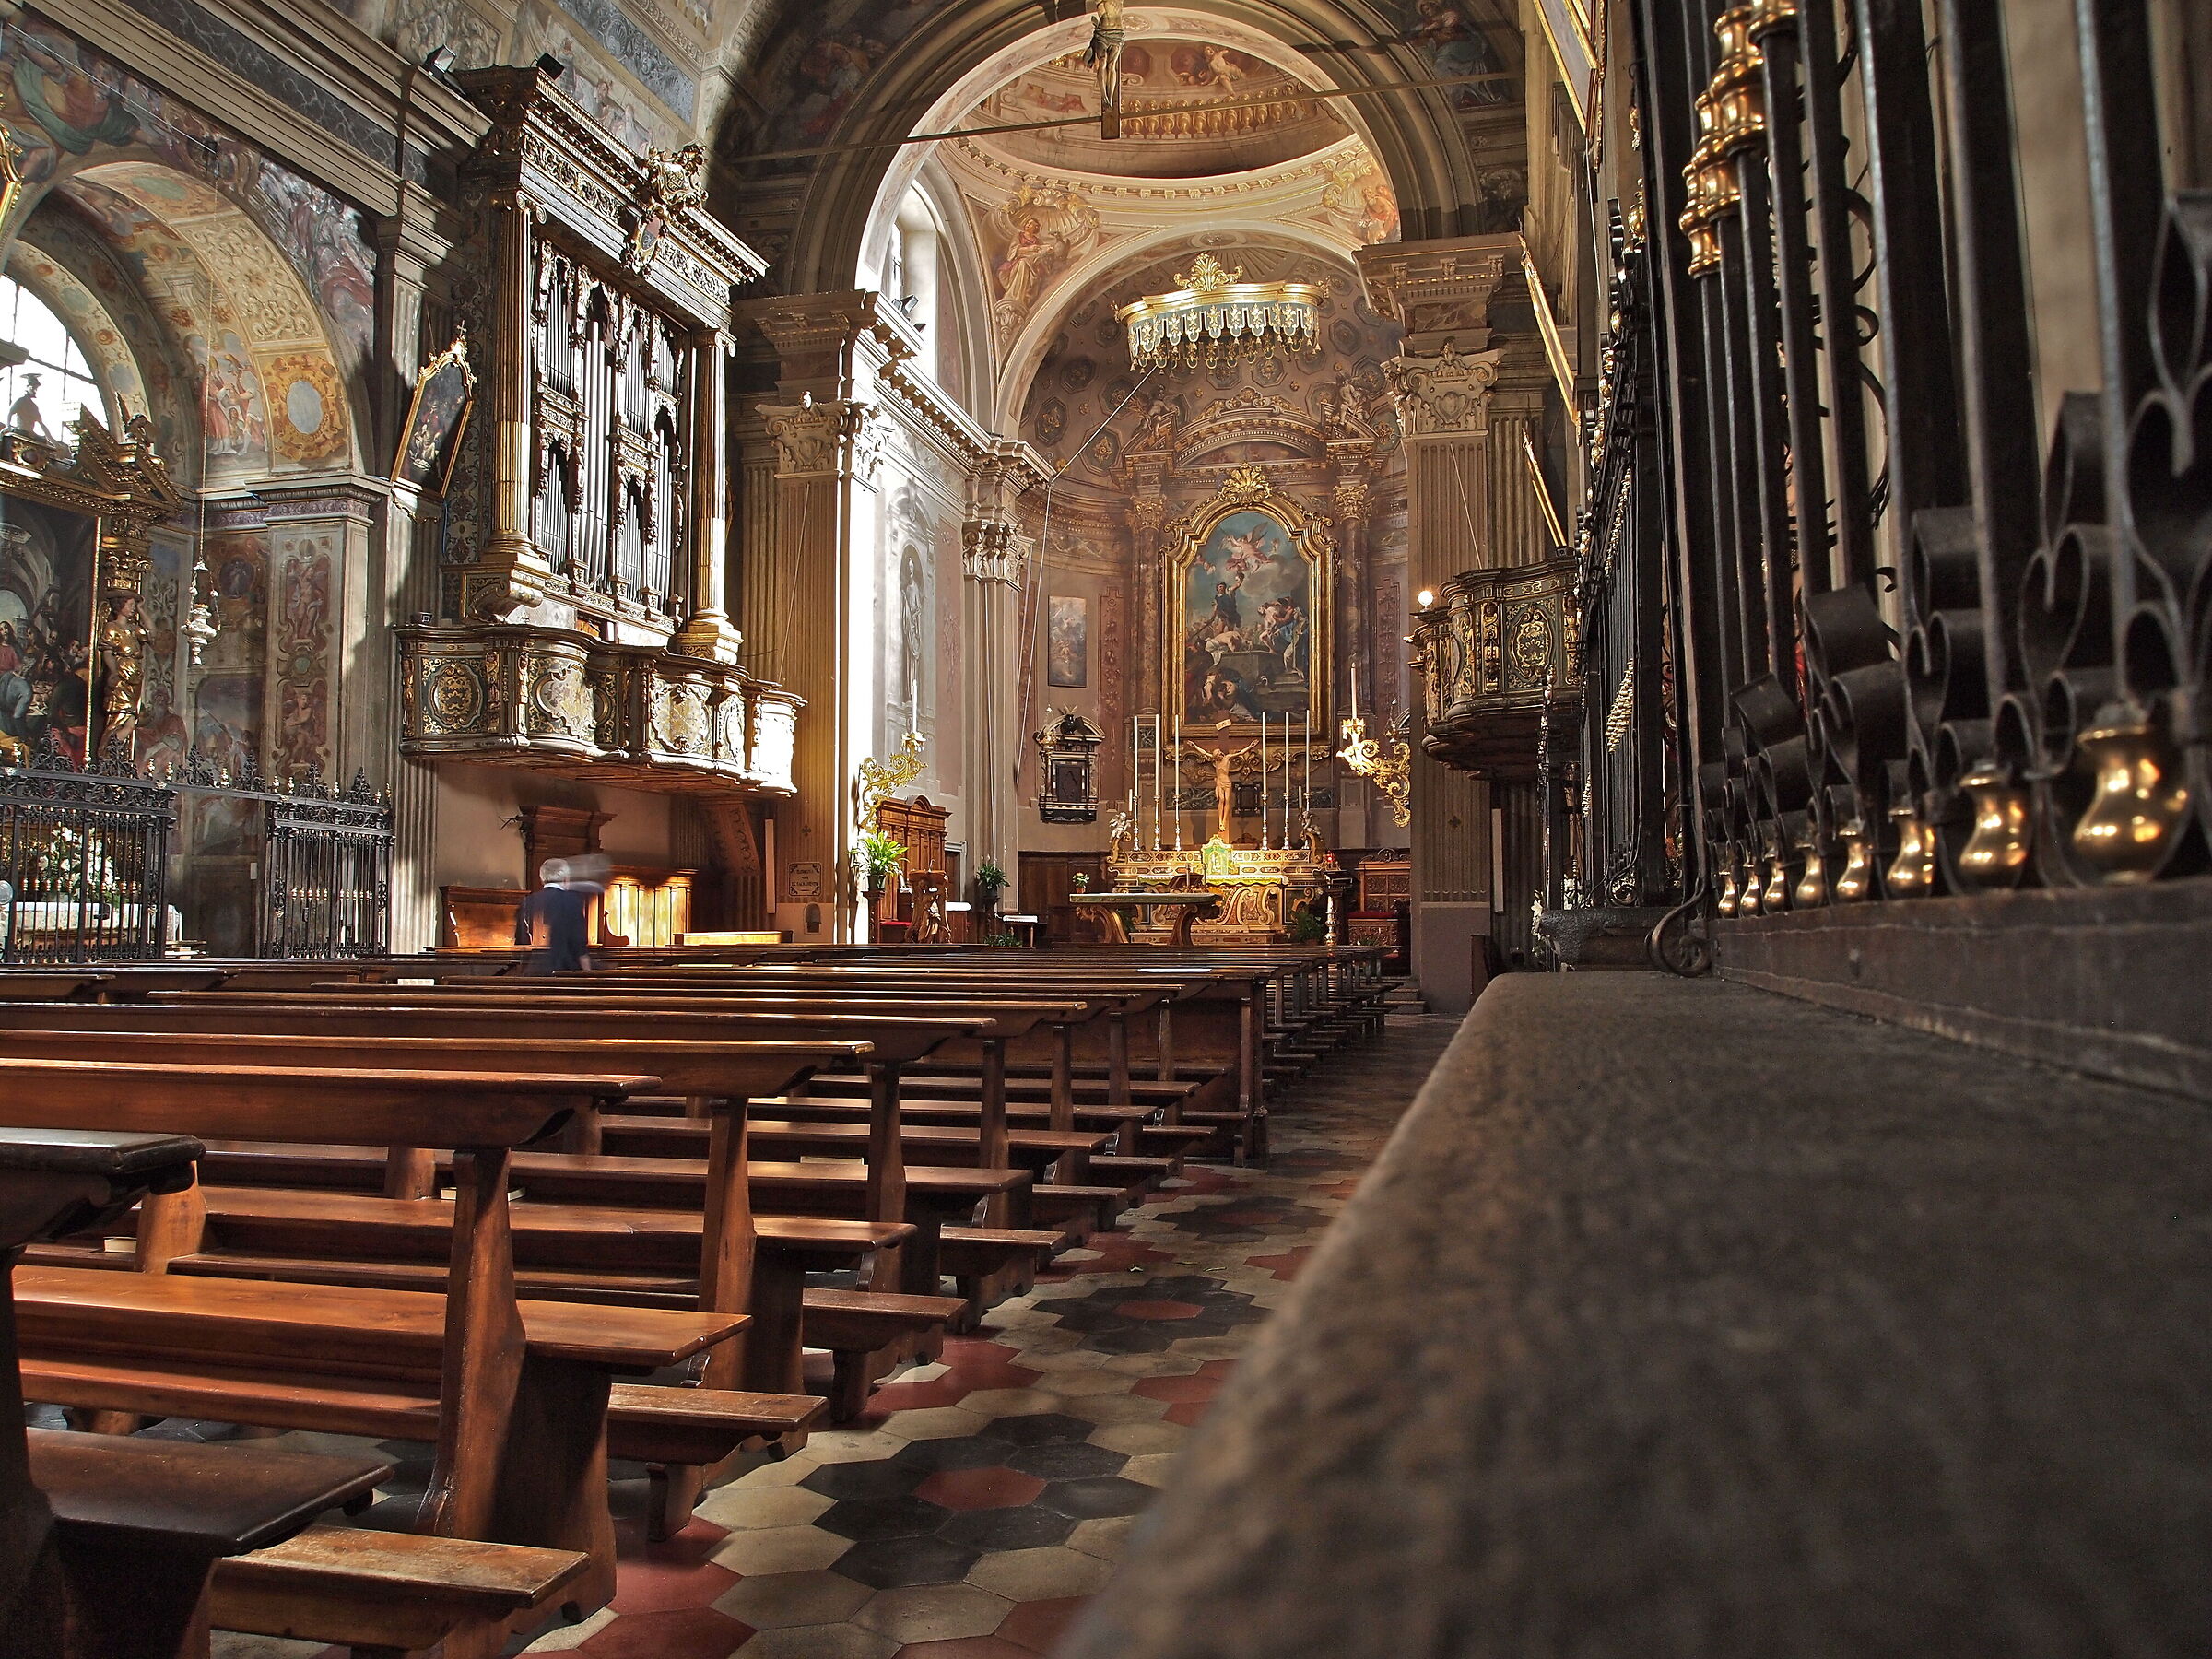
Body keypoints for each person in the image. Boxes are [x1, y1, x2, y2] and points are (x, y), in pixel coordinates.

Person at [515, 854, 607, 974]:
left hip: (533, 971)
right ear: (566, 878)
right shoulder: (571, 900)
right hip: (565, 971)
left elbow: (520, 941)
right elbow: (578, 942)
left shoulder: (528, 902)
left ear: (542, 878)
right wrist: (588, 972)